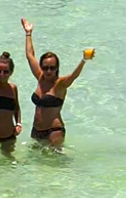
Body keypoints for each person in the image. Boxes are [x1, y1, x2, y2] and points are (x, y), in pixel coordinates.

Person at [21, 18, 91, 147]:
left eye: (52, 68)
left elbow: (73, 76)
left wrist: (83, 60)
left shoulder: (60, 84)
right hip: (36, 131)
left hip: (54, 131)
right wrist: (28, 33)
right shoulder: (40, 77)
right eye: (45, 67)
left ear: (57, 68)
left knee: (56, 164)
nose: (48, 71)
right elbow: (29, 55)